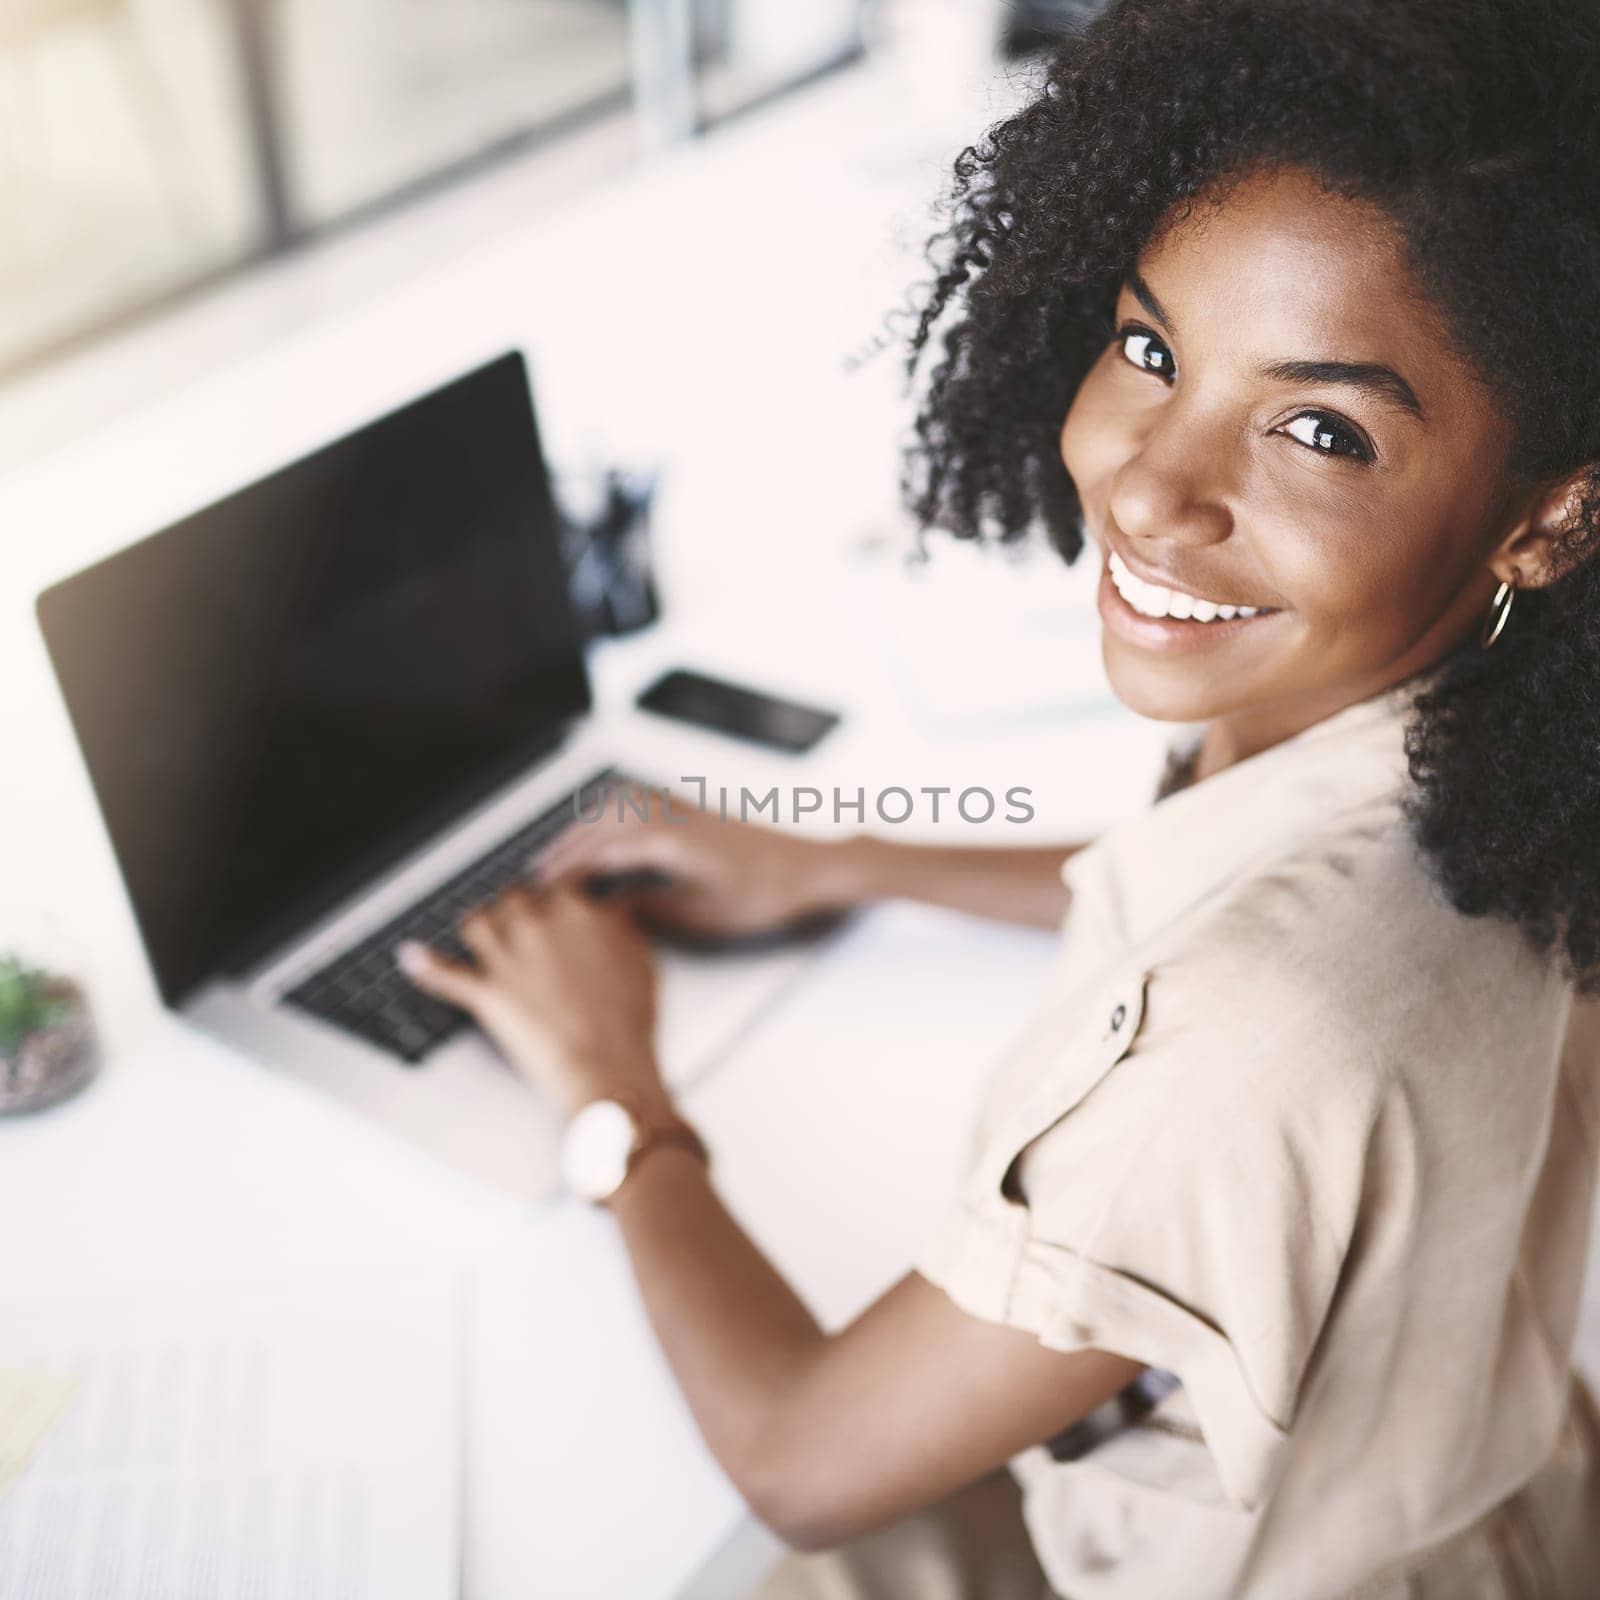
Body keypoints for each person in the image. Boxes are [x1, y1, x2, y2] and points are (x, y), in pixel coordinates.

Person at [396, 1, 1600, 1593]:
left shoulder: (1239, 1047)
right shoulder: (1489, 740)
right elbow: (1251, 872)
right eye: (1152, 350)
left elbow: (806, 1459)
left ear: (1551, 517)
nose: (1152, 487)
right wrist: (841, 864)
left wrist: (616, 1092)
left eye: (1321, 429)